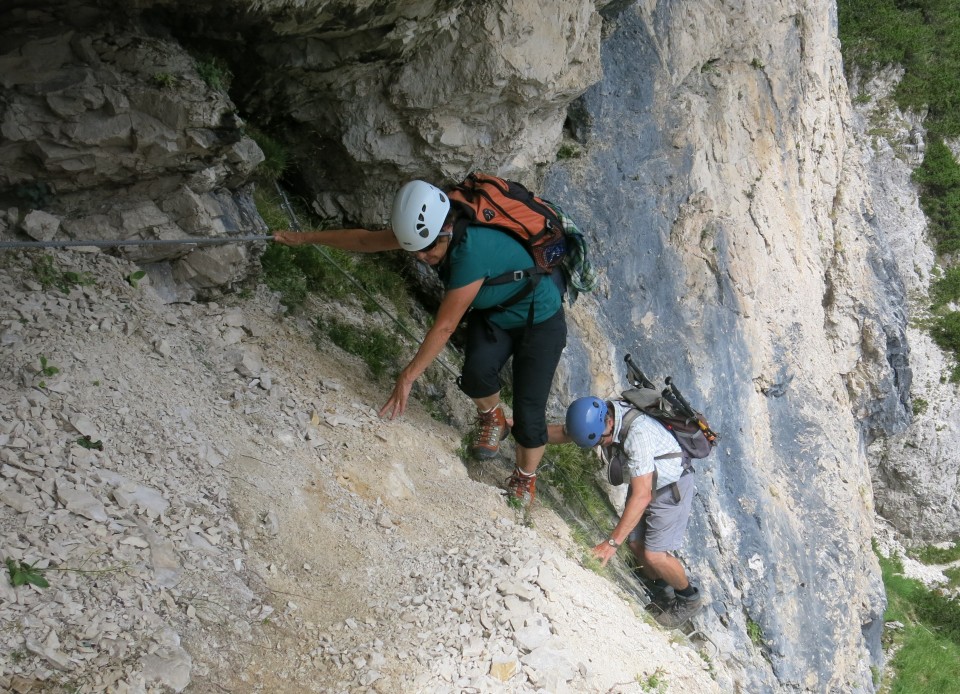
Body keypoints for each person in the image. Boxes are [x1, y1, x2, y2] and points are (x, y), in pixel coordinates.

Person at [273, 179, 567, 503]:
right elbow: (364, 239)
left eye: (429, 250)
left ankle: (525, 478)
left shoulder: (471, 249)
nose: (424, 257)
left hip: (540, 321)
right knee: (475, 375)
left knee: (529, 411)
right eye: (416, 251)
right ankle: (492, 417)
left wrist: (408, 377)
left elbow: (444, 327)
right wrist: (303, 237)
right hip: (495, 313)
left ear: (447, 229)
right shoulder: (426, 233)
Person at [549, 396, 703, 627]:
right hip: (648, 480)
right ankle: (663, 594)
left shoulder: (637, 435)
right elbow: (564, 432)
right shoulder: (603, 415)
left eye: (600, 441)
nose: (600, 445)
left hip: (671, 487)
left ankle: (688, 599)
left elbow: (642, 496)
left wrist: (610, 544)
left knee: (655, 554)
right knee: (635, 544)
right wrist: (519, 426)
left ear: (609, 423)